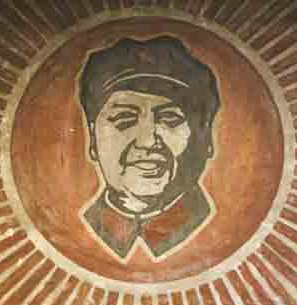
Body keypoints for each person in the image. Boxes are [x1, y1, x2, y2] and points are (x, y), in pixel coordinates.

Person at [78, 37, 220, 261]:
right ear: (93, 139)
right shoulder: (83, 231)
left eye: (170, 119)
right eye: (124, 118)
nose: (147, 141)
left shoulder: (219, 231)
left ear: (206, 135)